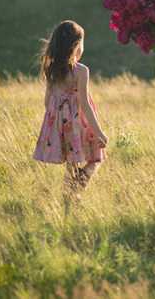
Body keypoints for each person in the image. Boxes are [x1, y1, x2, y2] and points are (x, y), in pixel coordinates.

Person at [33, 20, 108, 195]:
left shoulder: (51, 69)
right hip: (78, 123)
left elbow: (47, 101)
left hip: (60, 124)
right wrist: (99, 132)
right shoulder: (81, 71)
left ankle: (70, 195)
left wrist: (56, 123)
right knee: (96, 158)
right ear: (75, 46)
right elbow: (85, 104)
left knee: (72, 164)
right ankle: (77, 188)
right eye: (82, 44)